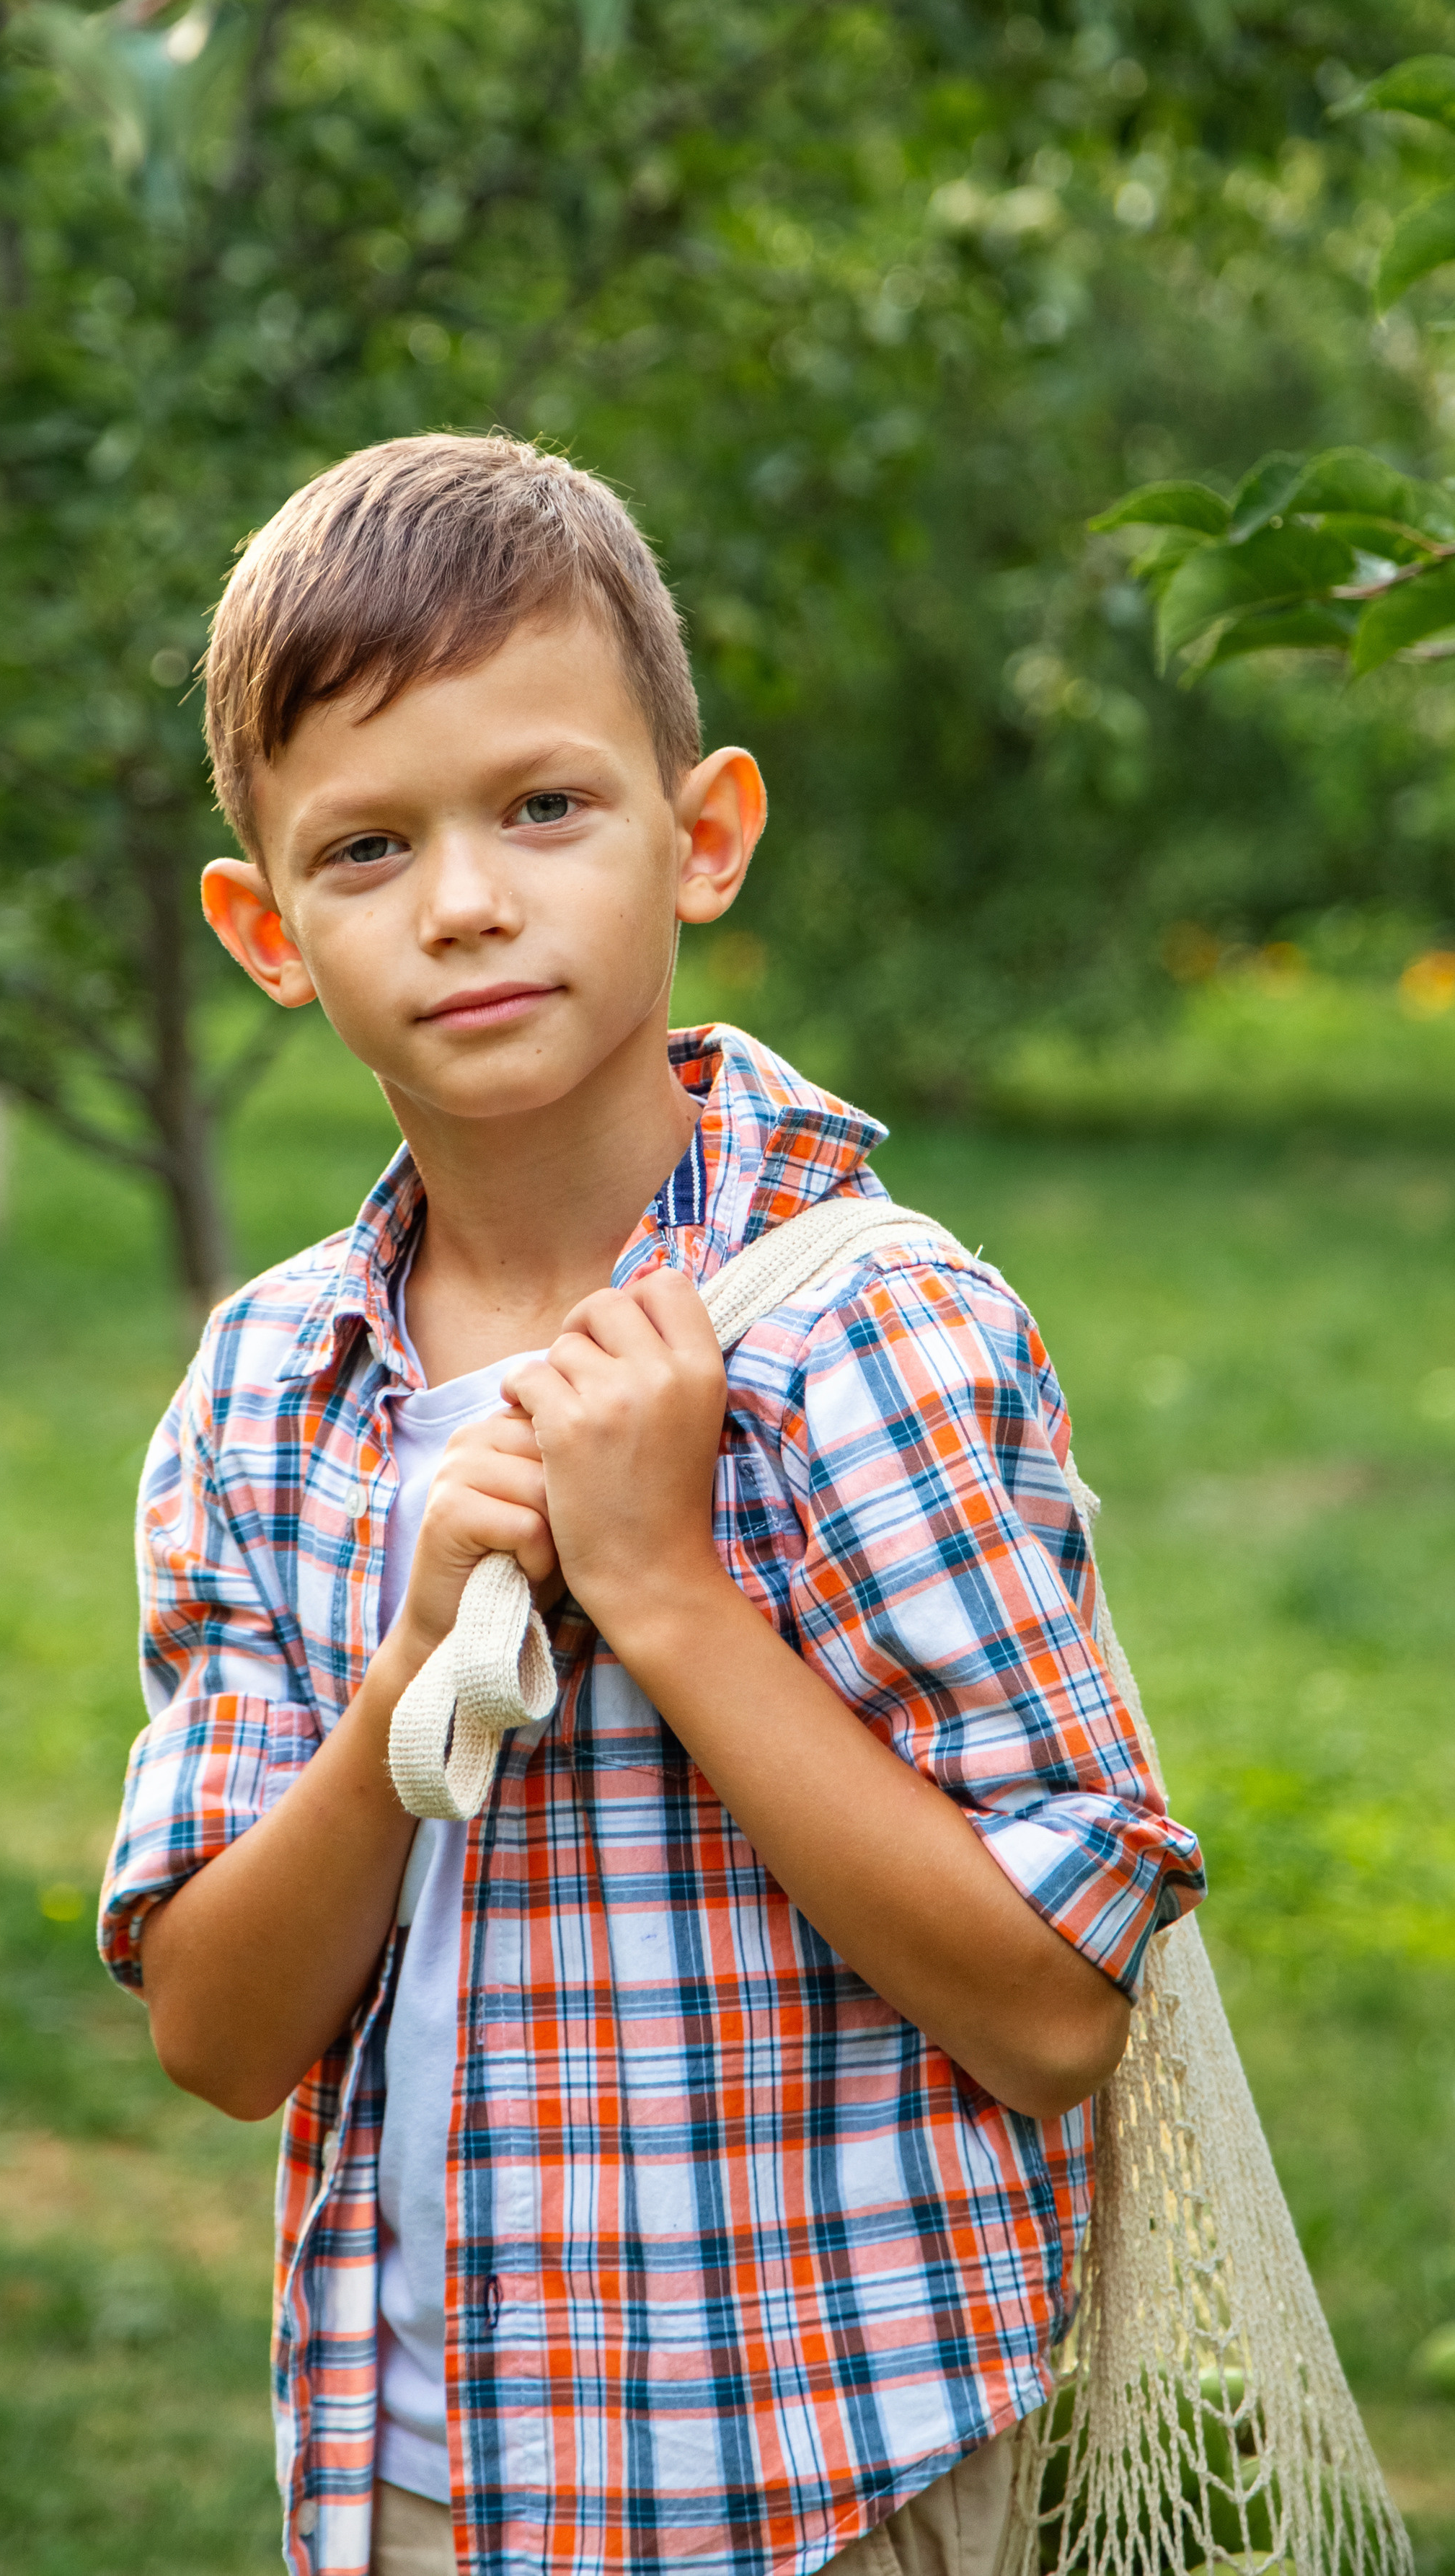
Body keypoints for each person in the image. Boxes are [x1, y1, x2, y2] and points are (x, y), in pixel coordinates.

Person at [97, 433, 1203, 2576]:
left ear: (701, 839)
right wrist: (417, 1665)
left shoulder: (865, 1331)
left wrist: (665, 1591)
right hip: (416, 2479)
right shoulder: (267, 1392)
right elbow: (223, 2035)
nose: (469, 901)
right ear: (261, 929)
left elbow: (1062, 2012)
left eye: (544, 807)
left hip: (819, 2478)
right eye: (366, 849)